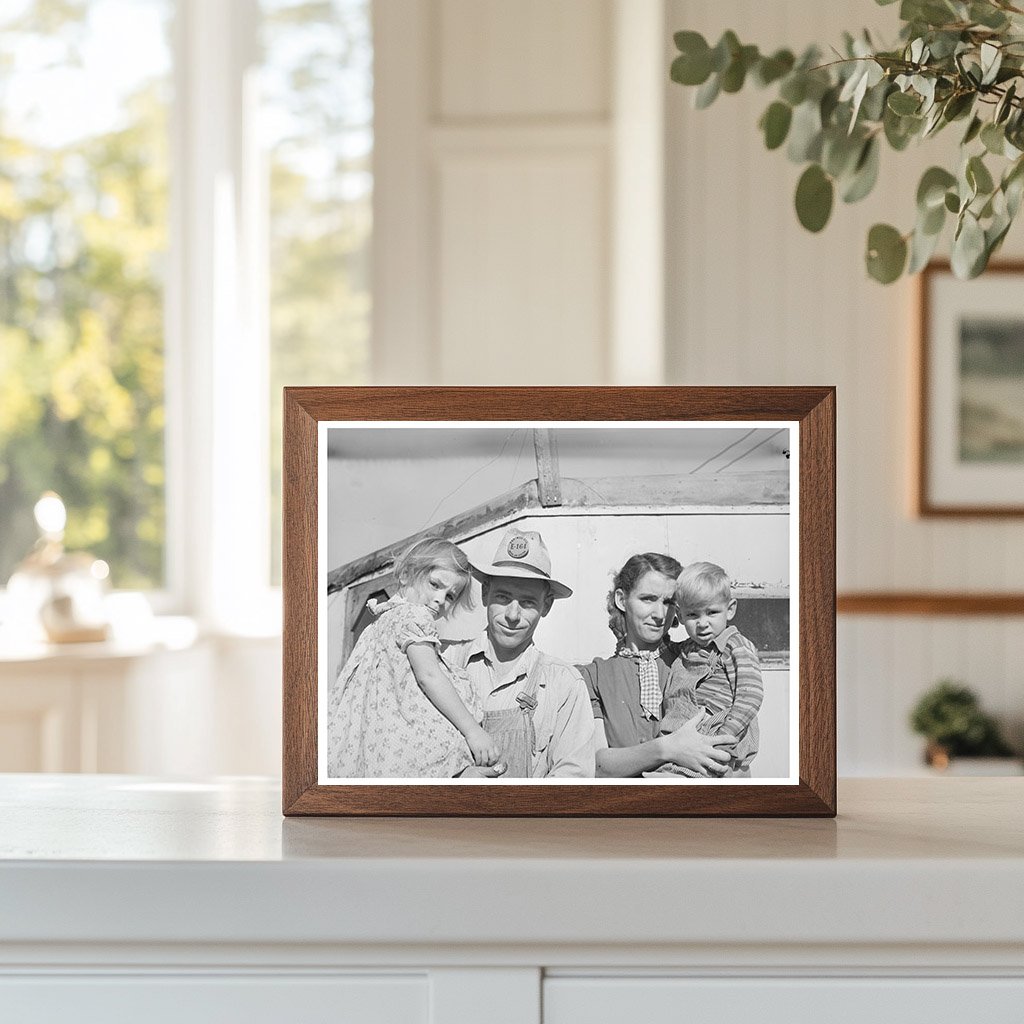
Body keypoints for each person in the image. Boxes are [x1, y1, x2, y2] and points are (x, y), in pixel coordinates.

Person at [327, 538, 500, 778]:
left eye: (451, 596)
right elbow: (429, 676)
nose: (440, 599)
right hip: (411, 740)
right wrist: (473, 731)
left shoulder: (382, 621)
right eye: (434, 584)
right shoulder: (414, 616)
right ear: (406, 575)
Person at [443, 527, 594, 779]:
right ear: (485, 594)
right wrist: (455, 781)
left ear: (546, 606)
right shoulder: (445, 663)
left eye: (527, 602)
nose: (513, 615)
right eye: (503, 598)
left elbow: (573, 779)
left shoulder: (564, 684)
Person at [577, 552, 736, 778]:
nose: (660, 614)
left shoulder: (699, 660)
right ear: (621, 600)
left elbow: (737, 756)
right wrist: (668, 748)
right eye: (648, 599)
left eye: (669, 602)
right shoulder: (593, 676)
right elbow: (597, 766)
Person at [654, 561, 763, 778]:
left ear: (730, 609)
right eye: (693, 615)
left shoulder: (735, 646)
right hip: (684, 729)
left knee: (703, 768)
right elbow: (664, 648)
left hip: (717, 728)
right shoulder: (688, 647)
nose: (703, 623)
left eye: (712, 612)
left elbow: (750, 695)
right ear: (680, 616)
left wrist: (725, 735)